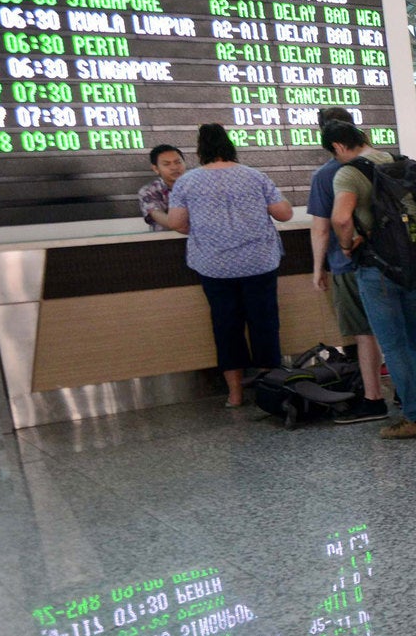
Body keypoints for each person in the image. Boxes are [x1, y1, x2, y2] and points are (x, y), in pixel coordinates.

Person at [329, 124, 416, 439]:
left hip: (378, 269)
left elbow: (341, 218)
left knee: (393, 345)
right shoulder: (399, 162)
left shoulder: (349, 174)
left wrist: (345, 245)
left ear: (339, 147)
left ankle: (415, 417)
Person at [162, 123, 293, 409]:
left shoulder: (187, 182)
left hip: (214, 266)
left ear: (200, 150)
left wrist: (204, 229)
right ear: (230, 145)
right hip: (259, 263)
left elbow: (175, 223)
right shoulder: (254, 176)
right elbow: (284, 214)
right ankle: (268, 390)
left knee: (226, 326)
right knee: (264, 324)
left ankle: (234, 394)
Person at [307, 118, 389, 424]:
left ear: (337, 145)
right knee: (397, 330)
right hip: (393, 262)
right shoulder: (389, 159)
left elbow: (324, 227)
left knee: (365, 334)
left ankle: (373, 398)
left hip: (351, 264)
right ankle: (411, 394)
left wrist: (319, 268)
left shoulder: (330, 173)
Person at [140, 145, 186, 231]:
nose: (174, 167)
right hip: (165, 241)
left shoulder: (197, 185)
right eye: (167, 164)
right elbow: (161, 217)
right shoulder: (149, 191)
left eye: (178, 162)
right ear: (156, 169)